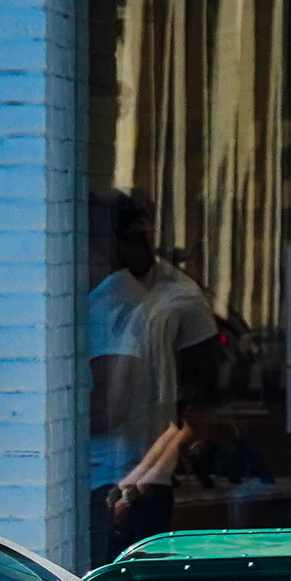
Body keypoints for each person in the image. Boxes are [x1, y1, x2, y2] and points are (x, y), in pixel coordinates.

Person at [87, 191, 218, 561]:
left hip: (112, 486)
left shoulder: (109, 307)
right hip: (138, 480)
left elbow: (110, 407)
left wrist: (43, 421)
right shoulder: (140, 299)